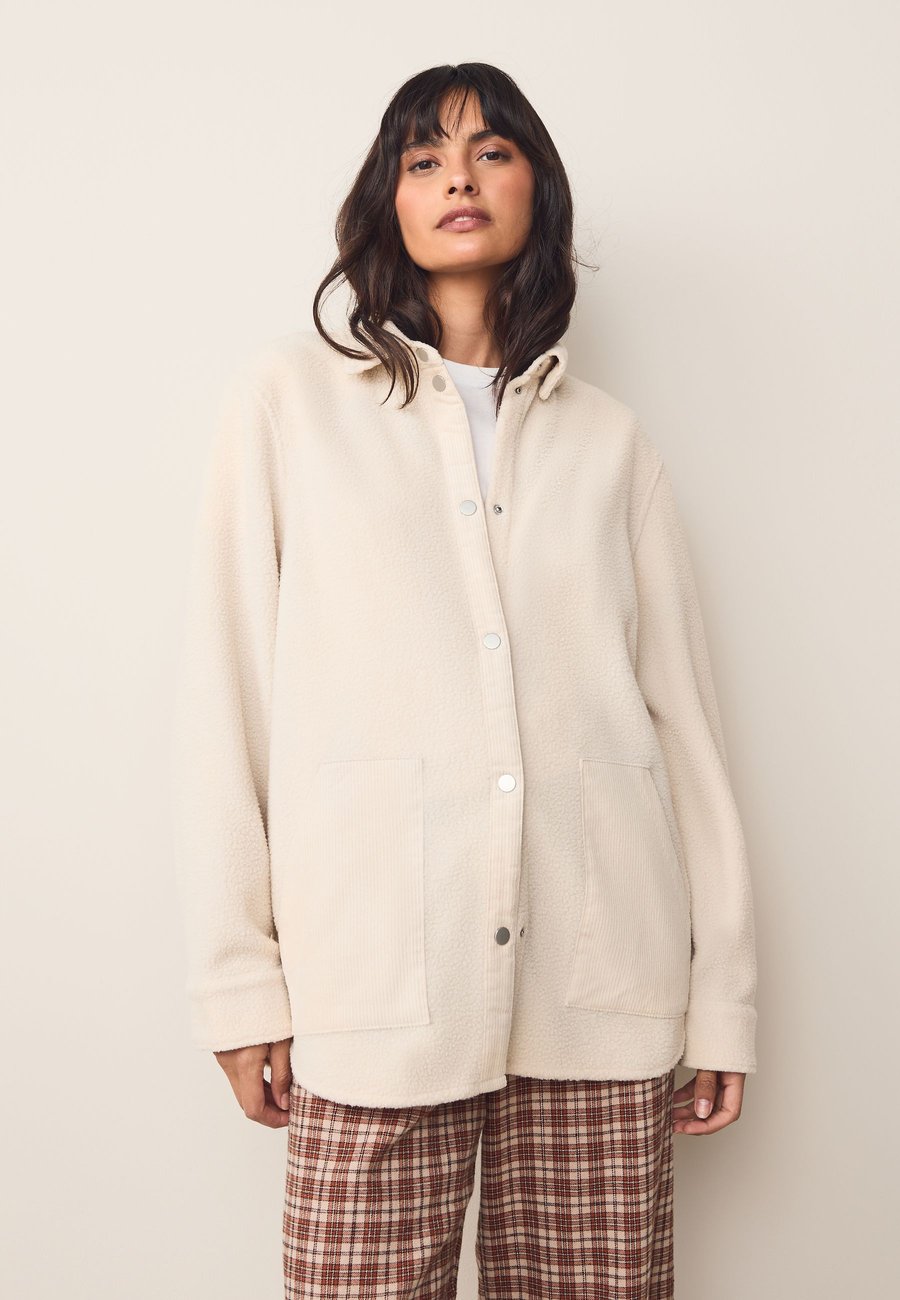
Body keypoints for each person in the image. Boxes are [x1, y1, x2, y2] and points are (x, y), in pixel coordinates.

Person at [171, 61, 758, 1300]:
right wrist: (237, 981)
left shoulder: (610, 444)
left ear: (537, 188)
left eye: (491, 151)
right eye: (424, 157)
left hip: (600, 986)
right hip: (377, 980)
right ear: (386, 198)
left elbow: (684, 732)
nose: (459, 178)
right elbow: (227, 702)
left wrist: (725, 996)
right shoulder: (288, 406)